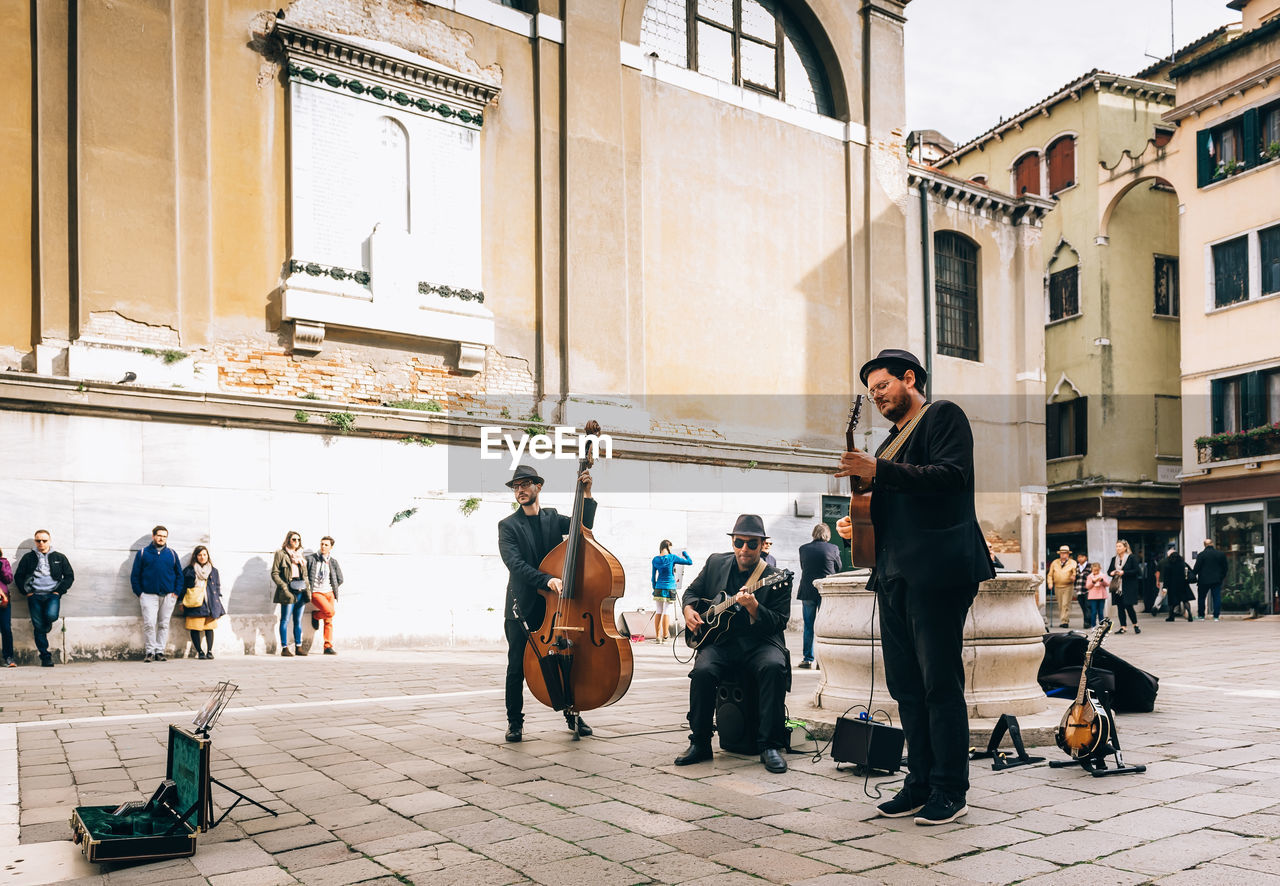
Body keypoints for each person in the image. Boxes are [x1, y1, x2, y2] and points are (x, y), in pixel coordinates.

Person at [833, 348, 993, 826]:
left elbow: (950, 477)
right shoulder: (886, 445)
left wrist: (877, 472)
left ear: (909, 378)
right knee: (905, 687)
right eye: (871, 392)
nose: (877, 396)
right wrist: (858, 523)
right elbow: (893, 506)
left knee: (940, 683)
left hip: (940, 570)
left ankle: (950, 787)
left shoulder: (943, 417)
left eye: (882, 386)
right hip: (895, 574)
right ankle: (918, 782)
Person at [676, 514, 793, 773]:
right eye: (739, 542)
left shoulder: (776, 578)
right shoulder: (715, 563)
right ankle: (700, 743)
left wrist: (754, 608)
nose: (744, 549)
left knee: (773, 667)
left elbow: (779, 621)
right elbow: (691, 593)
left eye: (752, 544)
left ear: (763, 545)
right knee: (703, 671)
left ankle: (769, 746)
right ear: (733, 542)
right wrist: (688, 611)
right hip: (721, 641)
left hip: (760, 641)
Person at [497, 462, 596, 742]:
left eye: (525, 484)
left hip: (553, 609)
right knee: (516, 666)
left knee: (563, 659)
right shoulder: (508, 526)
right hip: (522, 609)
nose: (520, 490)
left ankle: (571, 713)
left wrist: (586, 495)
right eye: (516, 487)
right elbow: (515, 565)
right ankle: (515, 722)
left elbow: (583, 528)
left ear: (538, 487)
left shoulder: (552, 517)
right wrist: (547, 581)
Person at [14, 530, 75, 667]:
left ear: (49, 540)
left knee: (51, 616)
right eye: (38, 540)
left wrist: (58, 591)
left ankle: (46, 624)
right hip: (34, 596)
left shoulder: (59, 557)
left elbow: (69, 576)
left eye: (44, 540)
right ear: (35, 541)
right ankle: (45, 657)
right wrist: (27, 592)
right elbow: (19, 576)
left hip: (52, 595)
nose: (41, 543)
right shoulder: (28, 558)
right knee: (38, 627)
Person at [130, 525, 183, 663]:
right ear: (153, 536)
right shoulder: (142, 553)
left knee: (164, 624)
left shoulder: (171, 553)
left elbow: (179, 575)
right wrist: (140, 593)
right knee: (149, 623)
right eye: (159, 535)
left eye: (164, 536)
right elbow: (135, 576)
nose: (161, 538)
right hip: (148, 595)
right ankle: (150, 652)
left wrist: (176, 593)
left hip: (168, 595)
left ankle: (160, 651)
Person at [796, 524, 842, 669]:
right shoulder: (833, 548)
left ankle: (808, 659)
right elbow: (838, 567)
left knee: (809, 626)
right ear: (827, 534)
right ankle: (822, 661)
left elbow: (803, 567)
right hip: (825, 591)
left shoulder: (803, 548)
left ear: (814, 533)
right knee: (825, 626)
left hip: (808, 590)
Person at [181, 546, 225, 659]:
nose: (202, 557)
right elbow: (183, 586)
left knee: (209, 627)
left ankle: (209, 651)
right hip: (194, 602)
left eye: (204, 554)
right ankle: (200, 652)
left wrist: (218, 602)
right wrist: (180, 602)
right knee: (195, 627)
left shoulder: (213, 570)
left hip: (210, 602)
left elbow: (217, 587)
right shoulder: (189, 570)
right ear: (196, 556)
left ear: (208, 556)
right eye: (200, 555)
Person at [272, 531, 311, 656]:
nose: (296, 542)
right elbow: (275, 573)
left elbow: (305, 574)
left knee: (298, 620)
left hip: (301, 589)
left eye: (298, 540)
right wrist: (284, 587)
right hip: (288, 589)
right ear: (288, 539)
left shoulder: (300, 555)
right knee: (285, 620)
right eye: (294, 539)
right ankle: (284, 648)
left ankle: (298, 647)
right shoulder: (281, 553)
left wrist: (307, 587)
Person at [307, 536, 344, 654]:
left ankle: (327, 646)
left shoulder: (333, 562)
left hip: (329, 593)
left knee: (329, 621)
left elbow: (340, 578)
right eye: (322, 544)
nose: (323, 546)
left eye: (326, 545)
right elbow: (305, 575)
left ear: (331, 547)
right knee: (330, 612)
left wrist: (332, 588)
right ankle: (316, 616)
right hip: (316, 592)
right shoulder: (311, 559)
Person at [651, 540, 692, 645]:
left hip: (659, 587)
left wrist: (654, 589)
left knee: (659, 610)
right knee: (666, 611)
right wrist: (684, 554)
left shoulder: (655, 559)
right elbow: (689, 562)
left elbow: (653, 578)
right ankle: (665, 636)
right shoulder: (672, 557)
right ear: (668, 546)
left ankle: (657, 637)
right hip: (670, 587)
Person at [1107, 540, 1141, 634]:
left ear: (1125, 547)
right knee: (1120, 607)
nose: (1117, 548)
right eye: (1117, 546)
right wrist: (1112, 573)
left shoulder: (1131, 558)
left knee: (1129, 606)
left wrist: (1124, 573)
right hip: (1117, 587)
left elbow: (1137, 571)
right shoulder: (1114, 559)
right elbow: (1109, 571)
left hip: (1128, 586)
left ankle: (1135, 625)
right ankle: (1123, 627)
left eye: (1120, 546)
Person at [1157, 545, 1195, 623]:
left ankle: (1171, 616)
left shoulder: (1168, 566)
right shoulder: (1183, 564)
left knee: (1172, 603)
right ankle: (1190, 615)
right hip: (1183, 585)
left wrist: (1165, 587)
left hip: (1172, 586)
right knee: (1185, 601)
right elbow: (1190, 571)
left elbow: (1166, 578)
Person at [1193, 539, 1228, 622]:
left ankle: (1201, 616)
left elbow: (1196, 568)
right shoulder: (1220, 554)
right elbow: (1225, 568)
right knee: (1216, 597)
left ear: (1204, 545)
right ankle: (1216, 616)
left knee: (1201, 598)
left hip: (1203, 580)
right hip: (1216, 580)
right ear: (1212, 544)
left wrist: (1193, 575)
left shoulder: (1201, 555)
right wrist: (1221, 577)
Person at [1047, 545, 1077, 629]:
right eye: (1061, 553)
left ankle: (1065, 621)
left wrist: (1073, 576)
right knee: (1060, 604)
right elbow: (1050, 575)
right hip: (1057, 586)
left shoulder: (1072, 562)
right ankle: (1063, 620)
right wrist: (1050, 583)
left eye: (1065, 553)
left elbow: (1074, 572)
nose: (1063, 555)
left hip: (1068, 586)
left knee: (1065, 604)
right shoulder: (1055, 562)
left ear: (1068, 554)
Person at [0, 547, 14, 667]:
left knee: (5, 628)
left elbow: (9, 579)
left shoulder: (3, 562)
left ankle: (8, 657)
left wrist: (1, 567)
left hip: (2, 599)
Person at [1084, 563, 1110, 627]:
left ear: (1100, 569)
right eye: (1094, 570)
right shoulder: (1090, 576)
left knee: (1101, 612)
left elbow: (1107, 584)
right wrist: (1093, 582)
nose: (1095, 572)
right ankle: (1093, 626)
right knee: (1094, 612)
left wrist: (1102, 581)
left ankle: (1101, 626)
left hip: (1101, 596)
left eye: (1097, 570)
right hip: (1093, 596)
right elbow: (1087, 586)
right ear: (1091, 570)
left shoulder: (1103, 575)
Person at [1073, 551, 1091, 625]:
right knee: (1083, 607)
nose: (1080, 559)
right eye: (1079, 557)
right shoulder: (1077, 567)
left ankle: (1087, 622)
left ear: (1086, 558)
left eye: (1082, 557)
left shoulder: (1090, 566)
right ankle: (1087, 621)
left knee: (1088, 606)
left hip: (1088, 590)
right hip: (1079, 590)